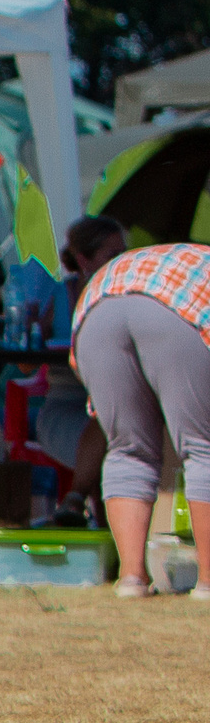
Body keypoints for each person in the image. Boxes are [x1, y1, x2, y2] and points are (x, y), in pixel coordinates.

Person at [70, 240, 210, 599]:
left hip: (97, 308)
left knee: (127, 450)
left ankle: (131, 579)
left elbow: (76, 364)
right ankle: (208, 583)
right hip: (178, 307)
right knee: (203, 448)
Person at [34, 215, 126, 528]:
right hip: (67, 407)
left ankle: (76, 503)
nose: (122, 262)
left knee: (115, 419)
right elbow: (25, 363)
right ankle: (80, 506)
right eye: (112, 255)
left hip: (112, 409)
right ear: (84, 260)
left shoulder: (125, 297)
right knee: (112, 425)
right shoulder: (59, 297)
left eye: (124, 253)